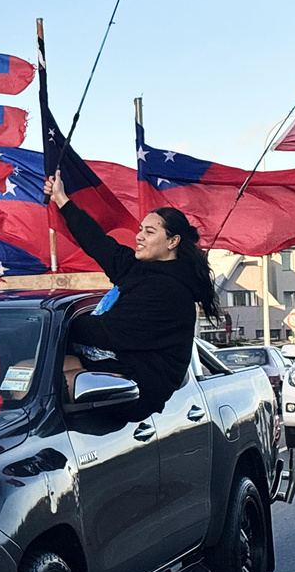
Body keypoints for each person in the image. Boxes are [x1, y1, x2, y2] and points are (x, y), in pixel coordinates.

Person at [44, 170, 221, 418]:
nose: (138, 237)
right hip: (116, 364)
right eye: (140, 229)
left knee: (49, 385)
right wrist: (61, 199)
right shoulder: (141, 269)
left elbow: (104, 331)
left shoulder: (169, 291)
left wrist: (45, 329)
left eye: (149, 232)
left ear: (173, 241)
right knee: (31, 372)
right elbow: (98, 243)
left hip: (139, 388)